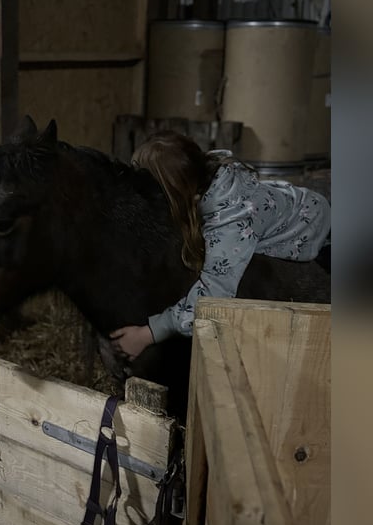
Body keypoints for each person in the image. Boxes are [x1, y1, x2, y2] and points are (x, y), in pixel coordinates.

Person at [110, 131, 331, 360]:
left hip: (323, 234)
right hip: (303, 203)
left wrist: (148, 333)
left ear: (174, 193)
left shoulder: (231, 222)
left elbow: (212, 298)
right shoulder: (216, 176)